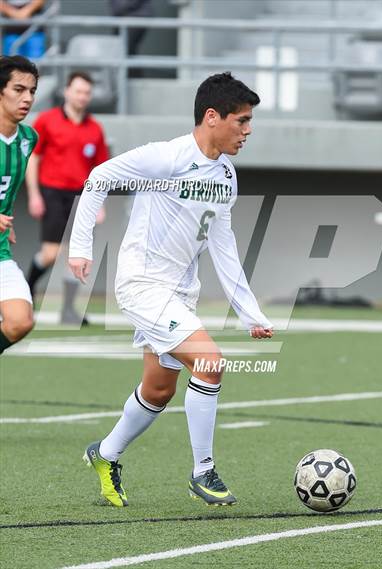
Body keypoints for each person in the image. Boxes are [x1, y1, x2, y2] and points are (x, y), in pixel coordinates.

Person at [69, 72, 273, 507]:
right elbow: (98, 178)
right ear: (212, 117)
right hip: (143, 284)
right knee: (210, 362)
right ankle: (203, 472)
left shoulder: (226, 177)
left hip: (181, 293)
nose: (248, 130)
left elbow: (223, 244)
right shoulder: (166, 158)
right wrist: (80, 247)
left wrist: (249, 311)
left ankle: (104, 454)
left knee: (158, 390)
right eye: (242, 120)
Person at [26, 71, 109, 324]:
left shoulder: (95, 128)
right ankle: (27, 290)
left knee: (76, 254)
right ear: (67, 91)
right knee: (51, 253)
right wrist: (34, 195)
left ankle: (69, 310)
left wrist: (100, 203)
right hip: (52, 192)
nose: (82, 96)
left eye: (87, 92)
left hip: (81, 197)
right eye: (78, 91)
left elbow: (102, 170)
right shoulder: (47, 121)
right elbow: (34, 158)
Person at [0, 55, 38, 355]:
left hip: (0, 251)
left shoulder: (28, 138)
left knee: (20, 321)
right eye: (18, 89)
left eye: (32, 91)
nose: (27, 98)